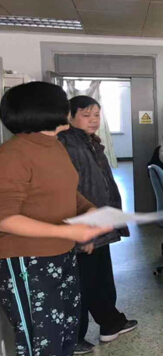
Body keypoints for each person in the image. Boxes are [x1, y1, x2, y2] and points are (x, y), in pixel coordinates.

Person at [0, 82, 111, 356]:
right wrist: (68, 232)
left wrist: (88, 211)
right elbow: (4, 218)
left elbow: (68, 190)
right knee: (42, 340)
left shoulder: (55, 146)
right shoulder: (13, 154)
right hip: (27, 260)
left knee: (66, 334)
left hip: (62, 255)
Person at [57, 96, 138, 354]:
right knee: (84, 282)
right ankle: (75, 337)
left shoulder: (88, 142)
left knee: (101, 276)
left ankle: (110, 322)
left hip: (99, 222)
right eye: (86, 115)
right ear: (69, 117)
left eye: (96, 115)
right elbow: (69, 192)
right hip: (85, 227)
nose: (93, 120)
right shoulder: (68, 144)